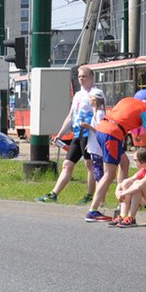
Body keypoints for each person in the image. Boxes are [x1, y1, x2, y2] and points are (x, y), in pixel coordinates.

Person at [84, 94, 146, 222]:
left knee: (124, 163)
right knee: (109, 174)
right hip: (113, 134)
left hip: (102, 129)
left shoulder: (127, 100)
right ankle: (93, 211)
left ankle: (123, 202)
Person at [35, 65, 101, 203]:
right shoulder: (78, 95)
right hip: (77, 134)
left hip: (89, 135)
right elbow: (71, 116)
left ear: (91, 77)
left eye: (84, 76)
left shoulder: (96, 93)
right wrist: (59, 134)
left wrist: (94, 129)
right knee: (67, 164)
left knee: (90, 165)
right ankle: (53, 194)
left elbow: (100, 114)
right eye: (79, 76)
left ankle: (90, 195)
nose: (81, 79)